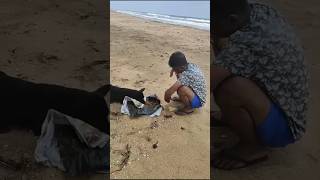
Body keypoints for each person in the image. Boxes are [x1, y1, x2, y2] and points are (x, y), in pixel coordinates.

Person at [212, 0, 309, 170]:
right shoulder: (259, 12)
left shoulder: (247, 43)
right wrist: (216, 32)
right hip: (285, 103)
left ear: (232, 19)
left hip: (285, 126)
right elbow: (229, 56)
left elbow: (206, 83)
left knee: (228, 89)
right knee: (222, 47)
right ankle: (235, 117)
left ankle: (253, 148)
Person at [164, 51, 207, 115]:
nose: (174, 70)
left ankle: (189, 108)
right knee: (179, 77)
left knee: (181, 89)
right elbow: (179, 72)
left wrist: (167, 95)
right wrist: (174, 70)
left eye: (175, 68)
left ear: (181, 67)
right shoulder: (190, 65)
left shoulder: (187, 75)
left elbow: (172, 89)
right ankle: (184, 99)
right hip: (196, 93)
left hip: (199, 101)